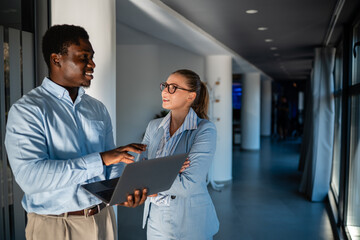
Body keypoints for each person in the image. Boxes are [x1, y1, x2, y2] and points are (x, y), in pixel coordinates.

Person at [5, 24, 147, 240]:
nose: (93, 64)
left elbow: (111, 165)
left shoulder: (97, 108)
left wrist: (122, 191)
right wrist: (101, 159)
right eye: (84, 57)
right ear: (56, 59)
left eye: (92, 57)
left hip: (103, 220)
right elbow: (30, 178)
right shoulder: (28, 110)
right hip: (55, 226)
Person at [139, 69, 219, 240]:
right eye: (165, 86)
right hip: (155, 219)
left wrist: (152, 178)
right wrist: (170, 169)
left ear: (190, 96)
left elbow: (187, 185)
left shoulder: (204, 130)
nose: (165, 91)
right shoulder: (153, 127)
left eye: (173, 87)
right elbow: (139, 173)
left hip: (191, 221)